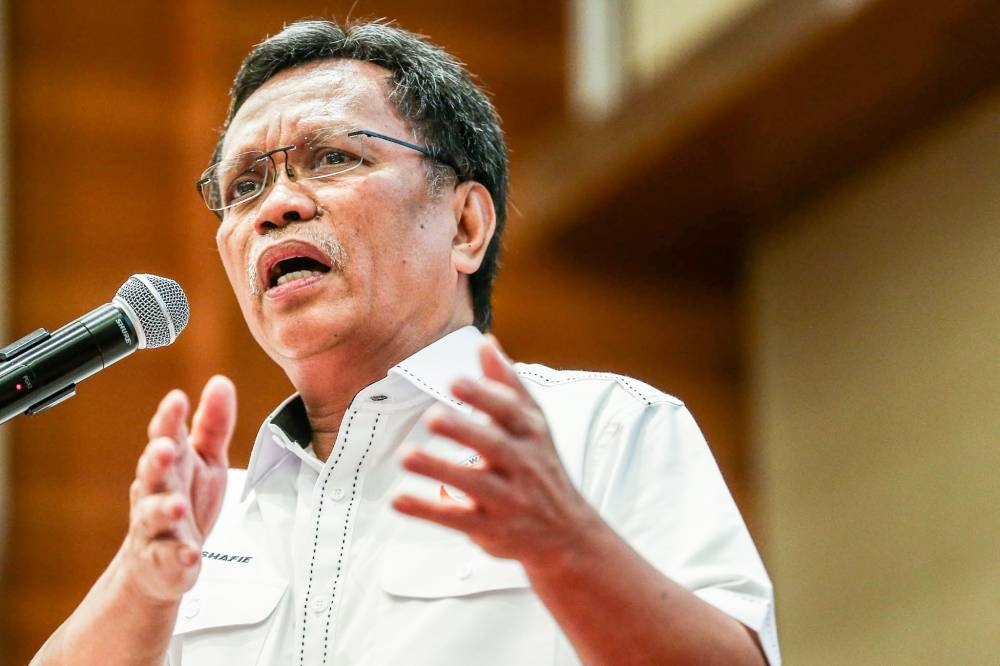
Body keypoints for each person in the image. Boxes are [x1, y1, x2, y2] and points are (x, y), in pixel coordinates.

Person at [32, 18, 779, 666]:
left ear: (465, 226)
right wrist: (142, 582)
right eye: (243, 187)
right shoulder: (205, 518)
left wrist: (566, 545)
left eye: (332, 159)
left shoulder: (603, 432)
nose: (276, 207)